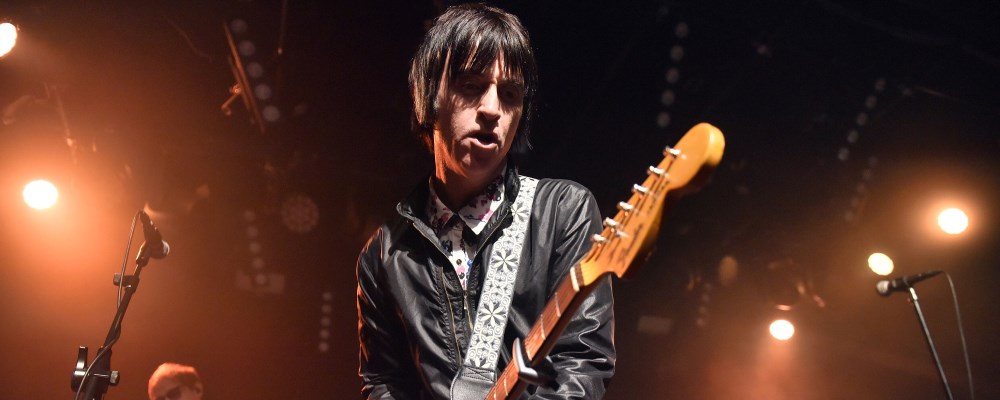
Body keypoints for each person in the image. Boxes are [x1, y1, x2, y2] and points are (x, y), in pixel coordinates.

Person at [356, 3, 615, 399]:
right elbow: (383, 383)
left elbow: (583, 362)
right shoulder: (383, 254)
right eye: (471, 86)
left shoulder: (563, 212)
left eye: (509, 94)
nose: (493, 109)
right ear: (429, 98)